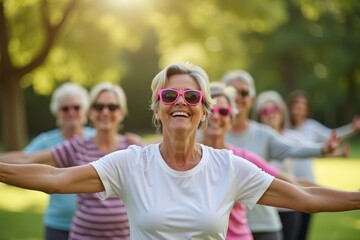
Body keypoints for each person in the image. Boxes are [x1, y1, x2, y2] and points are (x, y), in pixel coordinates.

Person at [0, 62, 359, 240]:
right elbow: (53, 178)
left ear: (204, 109)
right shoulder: (131, 163)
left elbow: (306, 198)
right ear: (157, 108)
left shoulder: (229, 167)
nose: (180, 102)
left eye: (192, 96)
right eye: (169, 96)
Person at [0, 82, 143, 240]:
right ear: (90, 112)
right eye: (98, 106)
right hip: (82, 235)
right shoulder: (77, 145)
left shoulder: (132, 149)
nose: (105, 112)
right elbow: (30, 160)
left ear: (122, 112)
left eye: (112, 107)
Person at [221, 70, 342, 240]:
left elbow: (292, 148)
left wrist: (322, 149)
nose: (239, 97)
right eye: (233, 92)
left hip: (264, 225)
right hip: (227, 229)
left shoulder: (263, 134)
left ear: (252, 100)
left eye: (244, 92)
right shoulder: (212, 135)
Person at [199, 83, 316, 240]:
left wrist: (352, 197)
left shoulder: (240, 158)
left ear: (231, 118)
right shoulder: (187, 159)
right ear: (201, 114)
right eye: (211, 110)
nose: (217, 116)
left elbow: (291, 183)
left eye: (224, 111)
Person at [24, 82, 95, 240]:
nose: (71, 112)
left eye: (76, 107)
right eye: (65, 108)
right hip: (57, 225)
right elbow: (23, 160)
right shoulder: (46, 141)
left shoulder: (97, 138)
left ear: (84, 110)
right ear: (57, 113)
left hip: (92, 225)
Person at [286, 89, 360, 240]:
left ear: (307, 109)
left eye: (303, 107)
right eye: (296, 106)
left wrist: (353, 129)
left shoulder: (311, 126)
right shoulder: (284, 127)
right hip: (287, 183)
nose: (299, 111)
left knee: (303, 231)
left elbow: (332, 136)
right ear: (290, 108)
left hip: (309, 184)